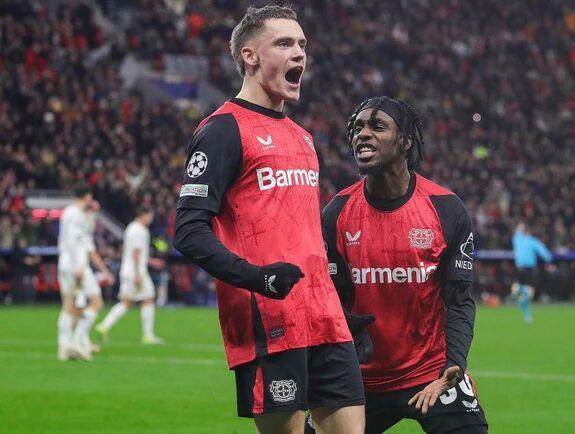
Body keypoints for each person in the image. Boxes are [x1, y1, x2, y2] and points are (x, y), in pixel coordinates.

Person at [173, 6, 364, 434]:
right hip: (269, 322)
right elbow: (187, 231)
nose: (299, 53)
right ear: (250, 56)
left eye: (302, 44)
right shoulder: (222, 130)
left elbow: (305, 236)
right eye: (284, 43)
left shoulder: (303, 138)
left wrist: (338, 304)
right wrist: (257, 279)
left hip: (326, 320)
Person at [313, 97, 488, 433]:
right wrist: (346, 328)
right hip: (360, 379)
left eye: (377, 126)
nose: (362, 134)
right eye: (358, 128)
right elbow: (328, 298)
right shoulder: (337, 213)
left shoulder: (446, 208)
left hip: (431, 374)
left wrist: (454, 364)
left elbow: (459, 299)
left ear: (406, 141)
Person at [57, 185, 114, 361]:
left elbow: (87, 245)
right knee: (96, 302)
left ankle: (65, 345)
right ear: (87, 197)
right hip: (76, 266)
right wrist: (78, 267)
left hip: (68, 264)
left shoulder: (73, 214)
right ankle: (77, 341)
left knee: (70, 306)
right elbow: (73, 241)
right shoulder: (75, 214)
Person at [96, 206, 166, 344]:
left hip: (129, 270)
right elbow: (135, 253)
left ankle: (104, 326)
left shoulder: (131, 228)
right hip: (136, 271)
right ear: (144, 214)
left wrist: (151, 262)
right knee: (148, 299)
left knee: (127, 302)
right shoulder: (139, 230)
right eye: (150, 215)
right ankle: (148, 336)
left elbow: (135, 253)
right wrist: (138, 274)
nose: (151, 219)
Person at [511, 222, 553, 323]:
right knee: (529, 292)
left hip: (521, 269)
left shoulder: (517, 239)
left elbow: (543, 251)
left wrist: (548, 259)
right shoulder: (531, 241)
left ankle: (518, 292)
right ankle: (519, 291)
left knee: (525, 295)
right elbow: (544, 252)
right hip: (528, 270)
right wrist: (549, 261)